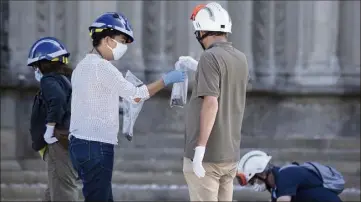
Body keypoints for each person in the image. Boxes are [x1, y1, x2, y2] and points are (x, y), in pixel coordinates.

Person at [68, 12, 186, 202]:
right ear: (107, 39)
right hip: (96, 146)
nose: (124, 48)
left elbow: (92, 102)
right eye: (121, 41)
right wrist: (166, 79)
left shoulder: (81, 67)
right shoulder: (103, 67)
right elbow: (136, 96)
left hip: (79, 144)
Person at [176, 2, 249, 201]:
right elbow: (226, 83)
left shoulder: (210, 57)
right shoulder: (241, 58)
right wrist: (199, 67)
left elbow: (211, 102)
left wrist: (200, 149)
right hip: (229, 155)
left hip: (207, 157)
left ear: (202, 30)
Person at [27, 37, 78, 201]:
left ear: (44, 63)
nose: (35, 70)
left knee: (62, 190)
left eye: (36, 66)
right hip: (67, 140)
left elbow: (57, 101)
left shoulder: (49, 80)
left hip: (57, 141)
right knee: (54, 189)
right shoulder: (66, 80)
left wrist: (49, 128)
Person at [236, 150, 343, 202]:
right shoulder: (275, 190)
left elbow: (284, 200)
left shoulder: (285, 176)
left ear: (261, 173)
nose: (254, 184)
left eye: (253, 180)